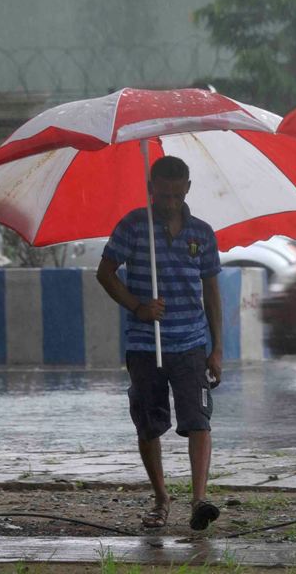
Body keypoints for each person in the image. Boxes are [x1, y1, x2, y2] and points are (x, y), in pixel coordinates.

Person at [96, 155, 223, 531]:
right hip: (145, 344)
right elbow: (105, 273)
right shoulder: (133, 227)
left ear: (187, 188)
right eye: (162, 195)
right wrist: (137, 306)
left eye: (175, 195)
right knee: (149, 425)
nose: (169, 203)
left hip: (191, 343)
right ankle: (161, 497)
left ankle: (199, 500)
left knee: (198, 420)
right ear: (151, 189)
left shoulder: (202, 233)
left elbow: (212, 291)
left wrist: (216, 349)